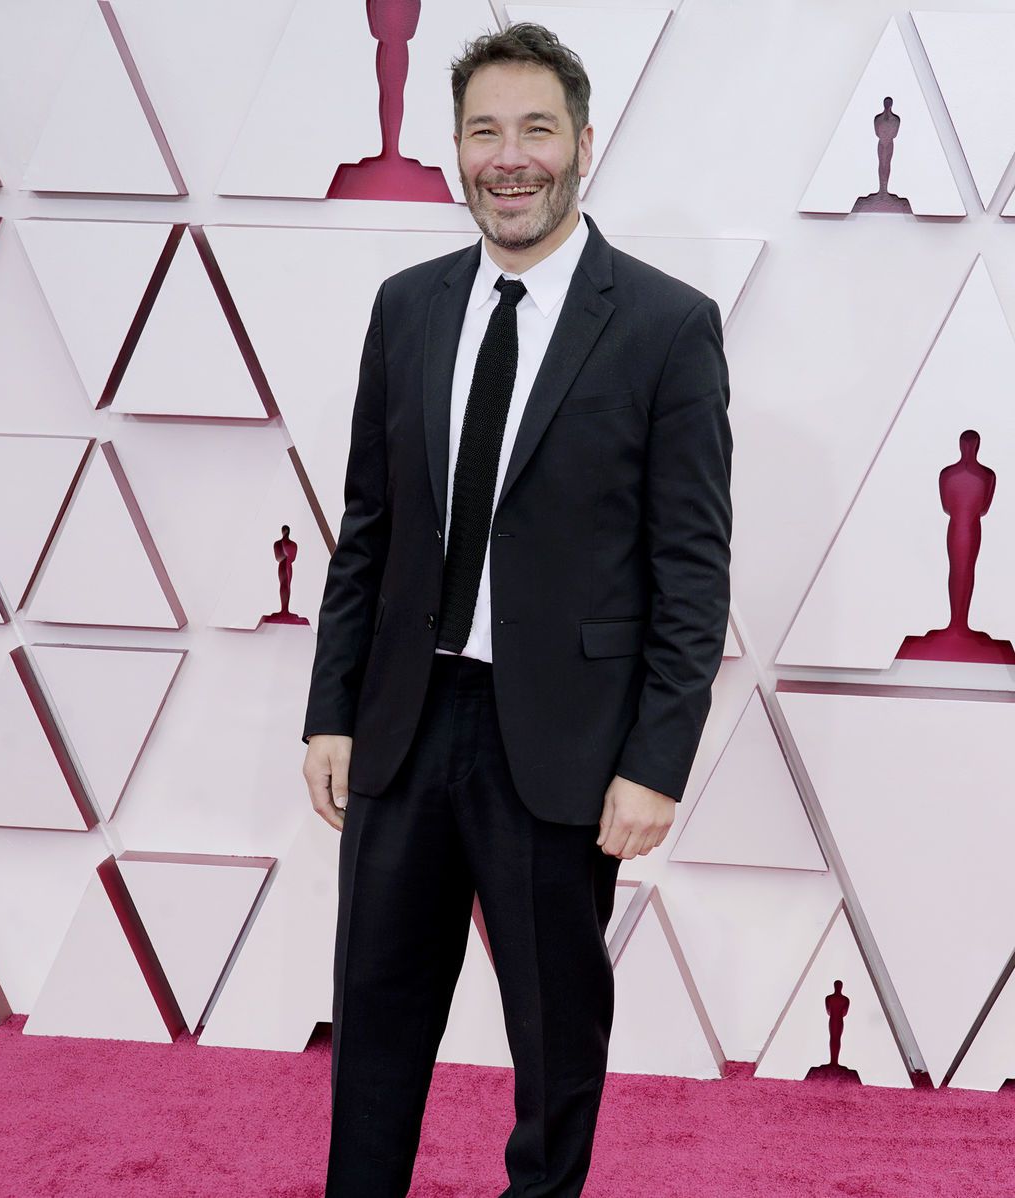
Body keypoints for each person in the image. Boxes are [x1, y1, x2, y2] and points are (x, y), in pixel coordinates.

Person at [301, 21, 732, 1197]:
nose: (509, 156)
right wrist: (328, 708)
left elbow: (691, 572)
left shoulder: (664, 325)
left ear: (583, 143)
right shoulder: (406, 307)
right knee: (375, 1021)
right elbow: (368, 530)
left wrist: (656, 761)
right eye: (484, 130)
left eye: (535, 128)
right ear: (452, 151)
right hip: (402, 721)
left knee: (554, 1037)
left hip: (561, 740)